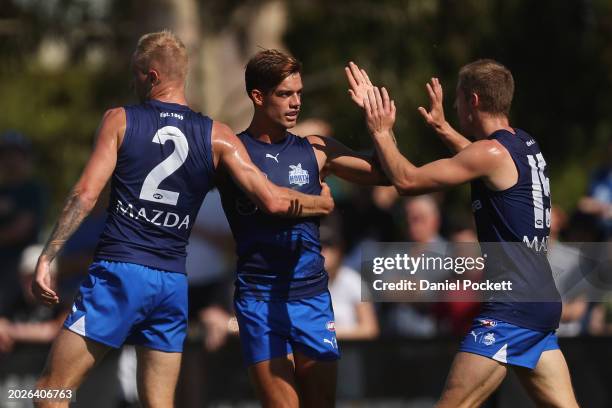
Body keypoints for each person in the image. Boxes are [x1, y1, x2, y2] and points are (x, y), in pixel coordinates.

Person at [31, 31, 333, 408]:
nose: (133, 82)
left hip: (121, 272)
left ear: (152, 75)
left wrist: (47, 257)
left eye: (137, 74)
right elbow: (272, 198)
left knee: (48, 392)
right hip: (173, 284)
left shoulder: (120, 120)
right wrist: (320, 205)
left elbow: (85, 194)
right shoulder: (218, 136)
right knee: (159, 404)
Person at [347, 60, 578, 407]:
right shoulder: (523, 144)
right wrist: (443, 128)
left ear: (472, 100)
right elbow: (483, 161)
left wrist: (380, 130)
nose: (453, 107)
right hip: (540, 305)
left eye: (456, 100)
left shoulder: (490, 153)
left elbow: (408, 181)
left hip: (510, 310)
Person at [217, 49, 388, 408]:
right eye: (284, 94)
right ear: (258, 96)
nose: (295, 103)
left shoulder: (316, 150)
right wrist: (320, 204)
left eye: (299, 93)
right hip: (259, 300)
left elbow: (389, 175)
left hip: (311, 297)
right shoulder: (232, 152)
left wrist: (378, 126)